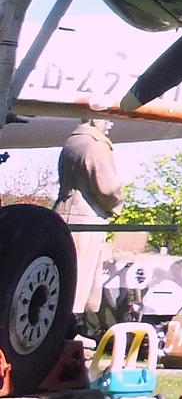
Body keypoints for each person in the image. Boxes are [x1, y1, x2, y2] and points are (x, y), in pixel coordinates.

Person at [55, 118, 124, 328]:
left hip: (63, 213)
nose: (111, 124)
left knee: (62, 275)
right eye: (107, 118)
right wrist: (117, 204)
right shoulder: (96, 145)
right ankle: (68, 330)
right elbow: (108, 187)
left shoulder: (71, 143)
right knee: (79, 281)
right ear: (95, 119)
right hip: (86, 217)